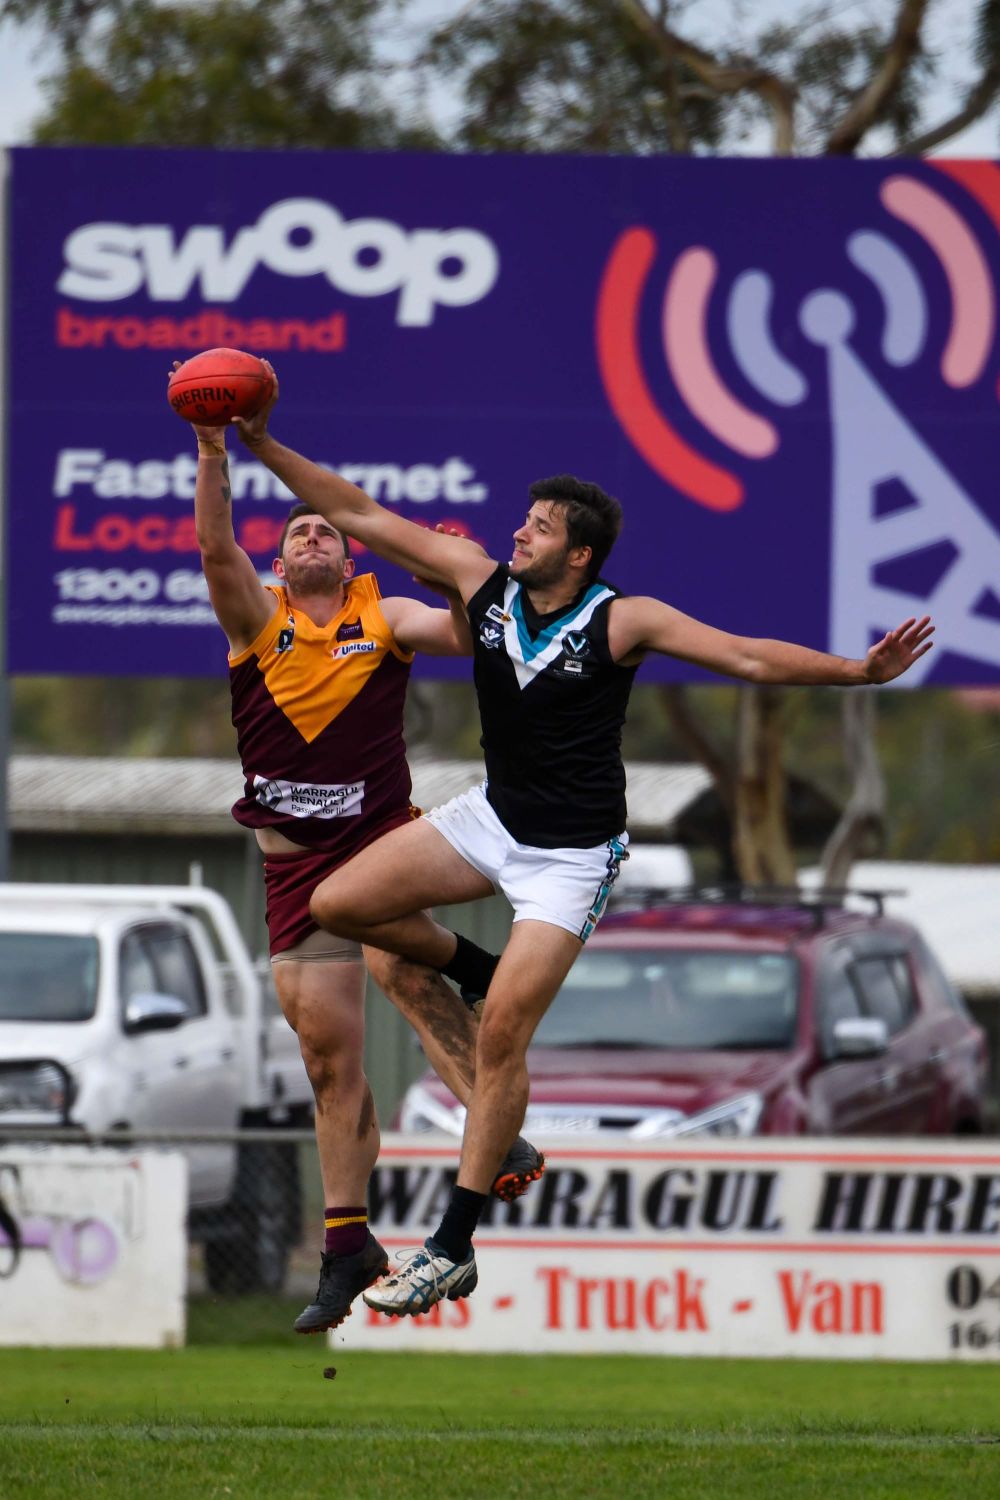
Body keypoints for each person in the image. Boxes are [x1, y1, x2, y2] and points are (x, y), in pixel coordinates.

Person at [229, 362, 933, 1317]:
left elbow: (747, 655)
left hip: (571, 856)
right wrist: (263, 445)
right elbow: (357, 512)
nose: (517, 531)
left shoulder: (622, 620)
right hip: (493, 817)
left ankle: (451, 1244)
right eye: (523, 519)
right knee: (338, 902)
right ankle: (477, 964)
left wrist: (857, 671)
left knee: (507, 1035)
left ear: (580, 558)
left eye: (540, 526)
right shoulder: (480, 588)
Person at [184, 400, 543, 1335]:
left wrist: (454, 572)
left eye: (325, 530)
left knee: (401, 972)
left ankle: (495, 1131)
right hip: (290, 874)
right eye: (297, 529)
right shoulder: (255, 624)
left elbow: (470, 637)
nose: (311, 533)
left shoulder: (383, 617)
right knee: (326, 1058)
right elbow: (217, 550)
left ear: (350, 558)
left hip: (380, 842)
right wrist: (213, 446)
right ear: (279, 565)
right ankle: (349, 1246)